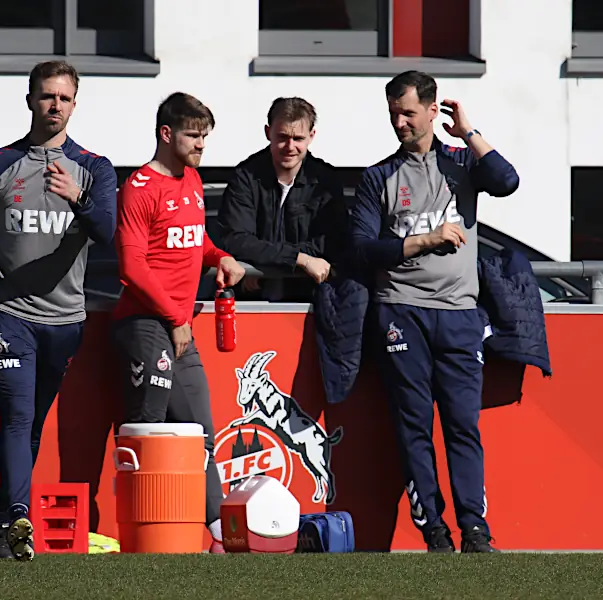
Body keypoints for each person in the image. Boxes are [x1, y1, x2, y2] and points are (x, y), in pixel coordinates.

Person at [0, 60, 117, 561]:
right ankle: (20, 516)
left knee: (33, 424)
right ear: (30, 100)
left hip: (64, 322)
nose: (54, 105)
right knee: (16, 418)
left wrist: (76, 195)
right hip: (8, 313)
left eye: (63, 97)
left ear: (75, 103)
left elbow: (106, 230)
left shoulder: (94, 168)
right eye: (46, 96)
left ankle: (1, 527)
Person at [347, 70, 520, 553]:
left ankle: (475, 530)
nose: (399, 122)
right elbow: (361, 250)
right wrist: (425, 240)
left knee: (463, 425)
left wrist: (468, 130)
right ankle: (435, 532)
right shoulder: (378, 176)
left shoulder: (463, 163)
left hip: (461, 314)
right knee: (413, 427)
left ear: (431, 109)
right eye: (392, 115)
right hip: (401, 312)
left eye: (407, 112)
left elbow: (506, 182)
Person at [110, 92, 246, 553]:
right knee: (146, 426)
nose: (201, 144)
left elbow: (195, 240)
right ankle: (139, 534)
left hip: (176, 325)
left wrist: (221, 256)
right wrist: (174, 316)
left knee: (202, 428)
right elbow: (132, 267)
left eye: (206, 135)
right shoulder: (138, 188)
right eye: (193, 135)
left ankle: (217, 535)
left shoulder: (191, 180)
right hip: (147, 324)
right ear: (167, 134)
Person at [215, 97, 347, 302]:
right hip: (251, 298)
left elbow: (331, 242)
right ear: (268, 133)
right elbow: (236, 239)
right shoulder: (246, 176)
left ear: (311, 136)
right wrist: (298, 259)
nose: (290, 146)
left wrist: (268, 263)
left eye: (298, 139)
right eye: (282, 137)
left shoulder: (325, 181)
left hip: (309, 297)